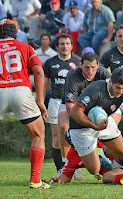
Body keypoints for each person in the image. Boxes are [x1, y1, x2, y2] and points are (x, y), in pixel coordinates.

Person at [68, 68, 123, 184]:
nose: (120, 91)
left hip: (104, 122)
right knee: (94, 169)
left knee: (122, 152)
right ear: (110, 82)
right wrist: (94, 126)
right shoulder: (96, 90)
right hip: (81, 128)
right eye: (117, 88)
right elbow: (74, 112)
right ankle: (97, 152)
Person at [0, 19, 53, 189]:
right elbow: (38, 70)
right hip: (21, 91)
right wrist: (39, 99)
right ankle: (35, 181)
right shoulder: (25, 47)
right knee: (38, 136)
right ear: (14, 31)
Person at [58, 52, 111, 180]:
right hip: (73, 107)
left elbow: (112, 97)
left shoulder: (104, 75)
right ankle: (67, 165)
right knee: (64, 128)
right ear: (80, 65)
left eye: (93, 67)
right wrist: (92, 125)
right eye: (86, 67)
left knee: (110, 124)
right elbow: (71, 109)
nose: (90, 71)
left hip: (96, 107)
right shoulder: (73, 75)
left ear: (98, 65)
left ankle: (106, 156)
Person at [43, 33, 81, 176]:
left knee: (72, 135)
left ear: (72, 46)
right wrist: (40, 103)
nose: (64, 46)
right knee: (57, 137)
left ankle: (73, 167)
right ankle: (61, 168)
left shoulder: (78, 62)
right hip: (55, 101)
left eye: (67, 44)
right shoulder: (50, 63)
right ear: (57, 46)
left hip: (73, 103)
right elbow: (45, 86)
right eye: (62, 44)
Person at [50, 140, 123, 185]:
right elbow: (66, 176)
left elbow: (115, 144)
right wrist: (58, 180)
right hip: (117, 169)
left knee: (107, 148)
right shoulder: (72, 156)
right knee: (106, 178)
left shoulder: (94, 138)